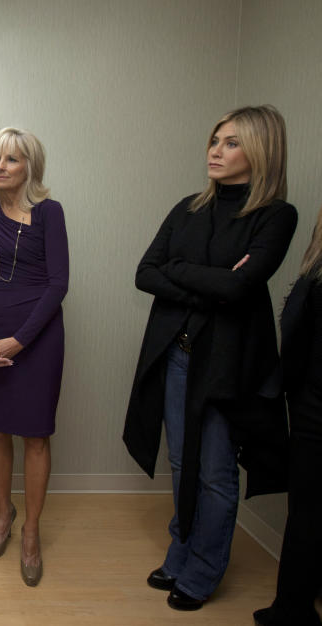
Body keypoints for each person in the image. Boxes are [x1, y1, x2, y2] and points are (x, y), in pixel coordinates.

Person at [123, 105, 296, 611]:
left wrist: (182, 273)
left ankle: (201, 571)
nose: (216, 151)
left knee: (216, 471)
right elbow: (145, 272)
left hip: (226, 364)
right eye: (214, 141)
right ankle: (182, 550)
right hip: (178, 354)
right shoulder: (188, 208)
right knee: (181, 461)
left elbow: (241, 285)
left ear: (261, 151)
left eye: (232, 143)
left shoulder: (276, 216)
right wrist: (212, 285)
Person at [0, 127, 69, 587]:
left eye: (11, 159)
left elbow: (58, 284)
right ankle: (4, 513)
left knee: (36, 437)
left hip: (38, 337)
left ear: (30, 168)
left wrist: (18, 342)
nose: (0, 166)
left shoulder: (50, 213)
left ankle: (30, 531)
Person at [253, 204, 322, 626]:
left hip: (314, 408)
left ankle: (292, 611)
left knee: (309, 512)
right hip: (309, 403)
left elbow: (295, 340)